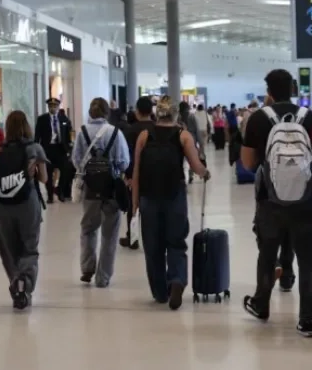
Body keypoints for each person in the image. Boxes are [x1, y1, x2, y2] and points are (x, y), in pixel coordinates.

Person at [242, 69, 312, 337]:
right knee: (307, 259)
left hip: (270, 201)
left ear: (269, 90)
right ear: (293, 87)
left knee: (267, 254)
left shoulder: (257, 119)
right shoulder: (310, 118)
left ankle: (262, 304)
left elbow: (248, 163)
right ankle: (306, 320)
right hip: (305, 200)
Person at [131, 98, 209, 310]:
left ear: (158, 114)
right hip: (174, 195)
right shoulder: (183, 136)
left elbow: (136, 171)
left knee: (153, 247)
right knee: (176, 241)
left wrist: (134, 203)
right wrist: (205, 172)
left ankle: (160, 292)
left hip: (149, 197)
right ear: (176, 115)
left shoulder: (144, 136)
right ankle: (176, 280)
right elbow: (195, 166)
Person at [0, 110, 48, 310]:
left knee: (9, 250)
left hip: (2, 207)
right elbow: (44, 179)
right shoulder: (35, 148)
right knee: (29, 248)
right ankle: (26, 284)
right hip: (28, 203)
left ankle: (16, 283)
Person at [71, 98, 130, 288]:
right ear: (106, 113)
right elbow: (124, 162)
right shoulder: (116, 133)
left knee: (88, 228)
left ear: (90, 112)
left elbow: (76, 159)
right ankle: (102, 277)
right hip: (111, 187)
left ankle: (87, 268)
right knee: (109, 233)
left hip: (90, 188)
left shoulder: (82, 133)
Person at [120, 96, 155, 249]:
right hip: (154, 174)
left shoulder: (130, 130)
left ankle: (132, 237)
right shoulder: (157, 128)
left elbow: (126, 155)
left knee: (133, 206)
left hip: (135, 173)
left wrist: (127, 176)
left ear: (138, 111)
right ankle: (153, 238)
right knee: (152, 206)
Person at [35, 98, 74, 204]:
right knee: (48, 172)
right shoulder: (42, 119)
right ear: (48, 107)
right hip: (48, 149)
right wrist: (37, 150)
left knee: (65, 170)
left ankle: (60, 191)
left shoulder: (64, 118)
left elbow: (69, 133)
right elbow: (37, 136)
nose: (53, 108)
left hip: (61, 148)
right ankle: (50, 195)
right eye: (51, 106)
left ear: (58, 107)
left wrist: (70, 147)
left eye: (55, 106)